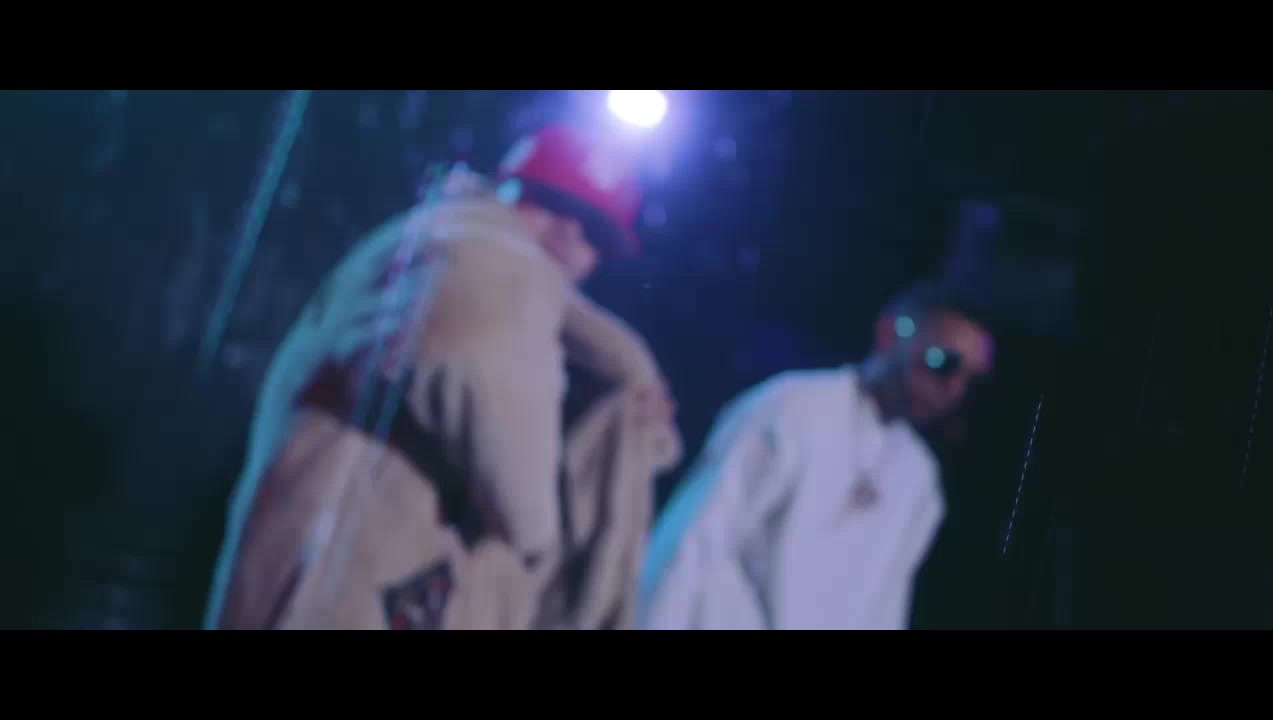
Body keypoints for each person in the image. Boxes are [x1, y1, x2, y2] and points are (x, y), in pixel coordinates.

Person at [204, 124, 681, 630]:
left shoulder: (441, 241)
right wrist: (548, 536)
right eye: (552, 203)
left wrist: (619, 406)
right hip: (337, 592)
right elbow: (524, 508)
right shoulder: (492, 268)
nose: (571, 236)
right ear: (503, 188)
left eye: (594, 234)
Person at [638, 282, 996, 630]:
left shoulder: (920, 478)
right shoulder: (792, 410)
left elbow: (886, 605)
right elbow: (691, 540)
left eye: (971, 380)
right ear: (889, 334)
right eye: (944, 362)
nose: (954, 387)